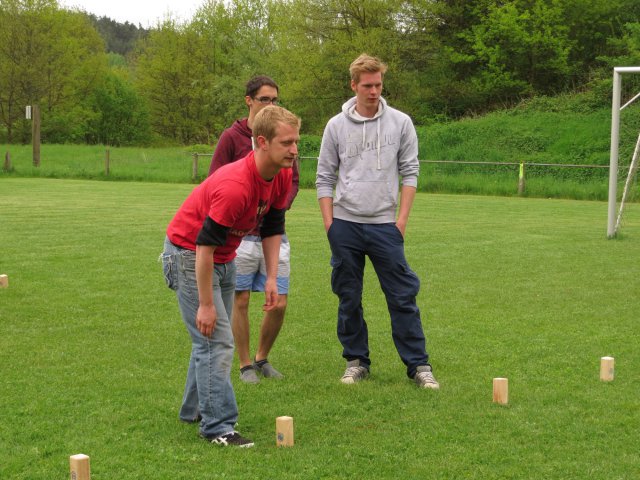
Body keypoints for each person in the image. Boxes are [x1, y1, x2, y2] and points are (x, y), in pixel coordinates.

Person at [162, 105, 300, 447]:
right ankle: (218, 427)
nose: (295, 150)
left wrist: (270, 278)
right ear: (262, 142)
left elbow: (272, 225)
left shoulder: (281, 174)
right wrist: (206, 304)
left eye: (297, 141)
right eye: (287, 143)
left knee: (208, 340)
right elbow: (203, 246)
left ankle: (192, 410)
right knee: (215, 339)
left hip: (225, 256)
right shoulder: (236, 185)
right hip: (189, 254)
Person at [315, 53, 439, 389]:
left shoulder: (401, 122)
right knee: (349, 296)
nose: (373, 91)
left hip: (386, 226)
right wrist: (331, 225)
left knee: (402, 296)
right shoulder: (335, 126)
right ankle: (356, 361)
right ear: (353, 85)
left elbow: (410, 172)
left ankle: (418, 366)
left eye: (378, 85)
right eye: (367, 85)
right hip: (345, 225)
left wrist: (401, 220)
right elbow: (324, 177)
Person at [208, 76, 299, 384]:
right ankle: (245, 364)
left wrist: (276, 207)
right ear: (249, 100)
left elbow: (291, 179)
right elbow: (215, 181)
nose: (270, 105)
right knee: (242, 299)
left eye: (274, 100)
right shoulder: (232, 137)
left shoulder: (284, 137)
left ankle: (262, 358)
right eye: (264, 99)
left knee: (279, 300)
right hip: (238, 236)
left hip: (273, 229)